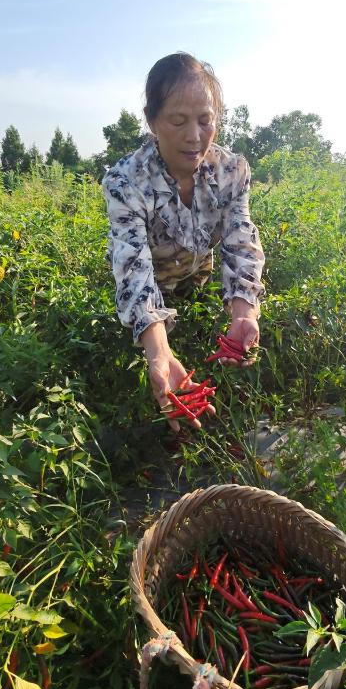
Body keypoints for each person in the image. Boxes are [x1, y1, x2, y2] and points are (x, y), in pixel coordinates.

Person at [102, 52, 265, 432]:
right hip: (154, 280)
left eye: (206, 120)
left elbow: (240, 239)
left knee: (198, 313)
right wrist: (158, 352)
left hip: (198, 272)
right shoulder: (126, 182)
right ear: (152, 121)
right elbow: (133, 267)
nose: (195, 136)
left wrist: (244, 313)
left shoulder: (232, 171)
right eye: (178, 121)